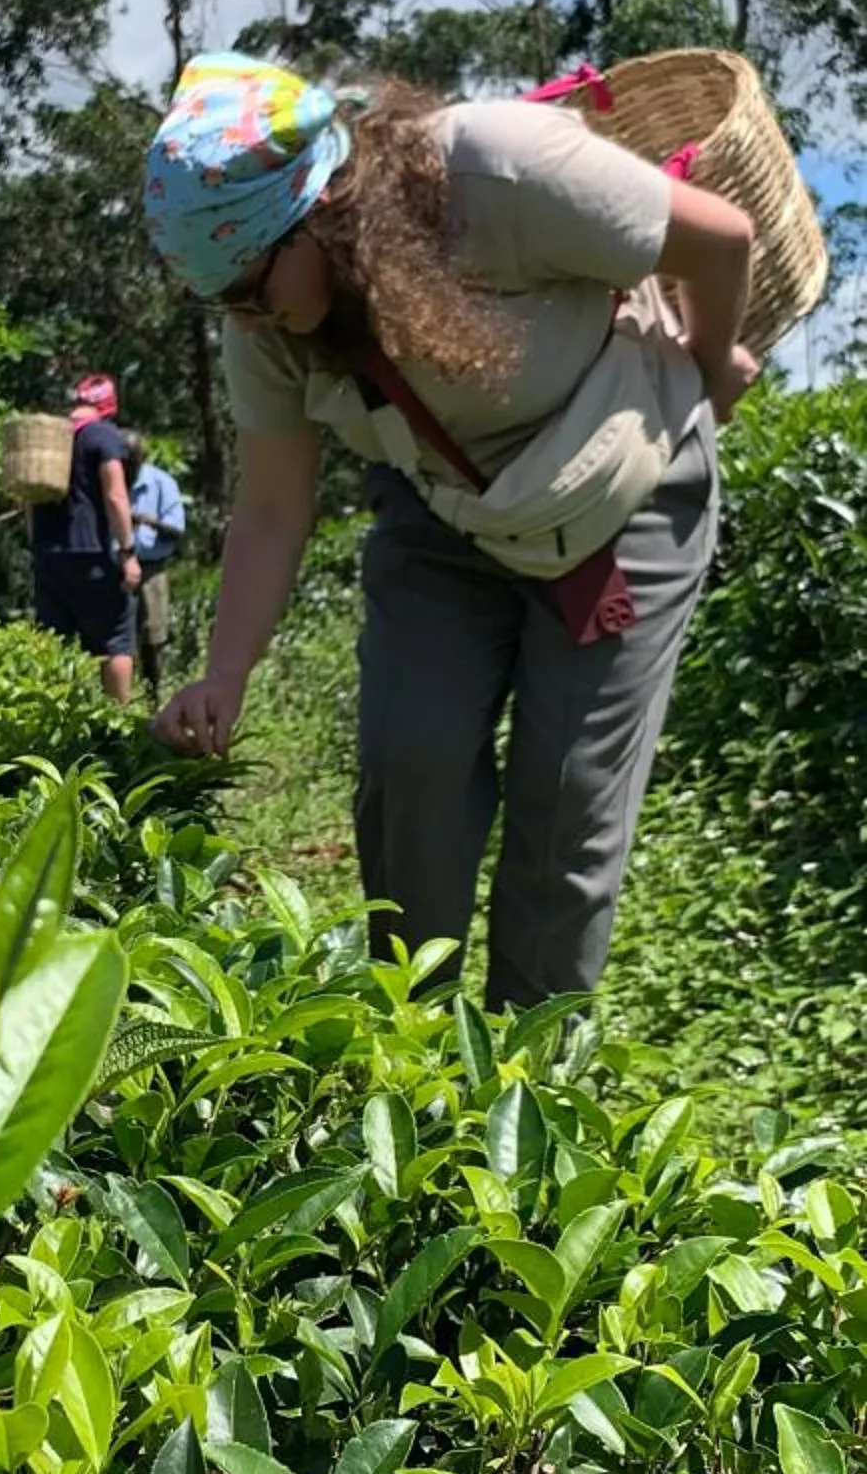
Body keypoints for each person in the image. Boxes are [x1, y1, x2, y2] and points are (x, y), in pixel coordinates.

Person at [143, 54, 758, 1011]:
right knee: (409, 766)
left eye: (254, 286)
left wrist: (711, 372)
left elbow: (721, 240)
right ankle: (414, 1052)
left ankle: (524, 1083)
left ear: (318, 210)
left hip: (620, 490)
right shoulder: (262, 316)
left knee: (567, 806)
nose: (248, 316)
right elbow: (272, 505)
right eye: (226, 300)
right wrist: (226, 673)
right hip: (445, 512)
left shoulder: (495, 173)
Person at [29, 373, 142, 703]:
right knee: (116, 639)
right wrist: (128, 551)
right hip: (90, 553)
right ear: (108, 406)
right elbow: (116, 495)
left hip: (48, 553)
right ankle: (117, 722)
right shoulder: (103, 435)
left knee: (53, 642)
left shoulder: (52, 439)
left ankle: (51, 721)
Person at [125, 433, 188, 704]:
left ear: (143, 458)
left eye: (132, 461)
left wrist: (147, 521)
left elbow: (177, 530)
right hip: (118, 568)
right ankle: (122, 701)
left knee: (152, 638)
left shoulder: (162, 483)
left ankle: (153, 700)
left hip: (151, 569)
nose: (126, 467)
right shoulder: (110, 478)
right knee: (120, 641)